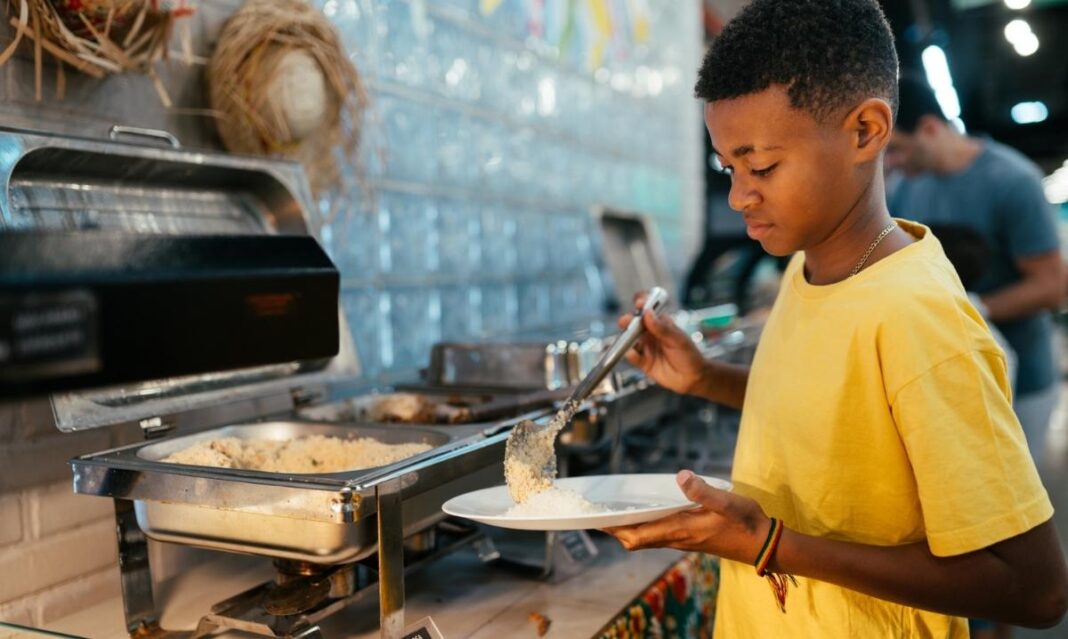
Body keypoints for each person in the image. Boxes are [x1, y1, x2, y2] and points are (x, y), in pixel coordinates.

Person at [601, 1, 1068, 637]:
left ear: (865, 131)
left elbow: (1035, 588)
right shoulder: (807, 265)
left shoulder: (919, 318)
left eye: (762, 166)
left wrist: (772, 545)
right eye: (728, 168)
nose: (740, 195)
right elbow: (839, 413)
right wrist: (705, 377)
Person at [887, 76, 1065, 468]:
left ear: (930, 128)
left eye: (897, 149)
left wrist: (975, 307)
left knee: (1016, 506)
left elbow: (1053, 286)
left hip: (1021, 380)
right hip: (951, 383)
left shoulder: (1013, 181)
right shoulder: (904, 188)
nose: (891, 163)